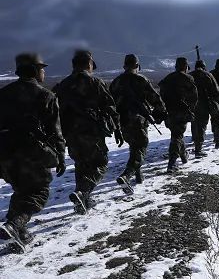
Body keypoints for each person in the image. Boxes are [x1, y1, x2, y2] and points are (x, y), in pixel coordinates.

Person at [0, 53, 66, 250]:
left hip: (4, 154)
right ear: (35, 71)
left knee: (21, 190)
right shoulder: (46, 96)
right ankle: (14, 224)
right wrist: (61, 155)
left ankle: (16, 235)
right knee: (39, 192)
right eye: (42, 68)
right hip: (32, 153)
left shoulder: (2, 94)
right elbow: (55, 130)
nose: (44, 72)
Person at [54, 50, 120, 214]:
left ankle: (82, 203)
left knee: (81, 165)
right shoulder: (96, 82)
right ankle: (82, 192)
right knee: (101, 164)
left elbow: (56, 112)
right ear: (88, 64)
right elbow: (110, 107)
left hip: (70, 133)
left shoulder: (62, 85)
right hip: (92, 132)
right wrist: (117, 128)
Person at [109, 54, 166, 194]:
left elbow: (110, 105)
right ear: (137, 66)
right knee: (140, 149)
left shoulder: (116, 82)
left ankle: (138, 176)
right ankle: (126, 176)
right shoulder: (141, 79)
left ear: (124, 66)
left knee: (134, 148)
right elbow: (155, 98)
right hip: (138, 121)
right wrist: (161, 113)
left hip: (122, 122)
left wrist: (115, 126)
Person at [159, 57, 198, 173]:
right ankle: (172, 163)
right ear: (186, 67)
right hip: (181, 112)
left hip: (169, 112)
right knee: (177, 136)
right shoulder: (188, 78)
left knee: (176, 134)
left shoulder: (167, 78)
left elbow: (161, 95)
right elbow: (194, 97)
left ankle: (184, 156)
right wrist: (190, 109)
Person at [189, 60, 219, 159]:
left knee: (194, 124)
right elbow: (216, 91)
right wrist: (217, 103)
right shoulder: (208, 75)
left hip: (191, 105)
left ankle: (195, 141)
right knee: (202, 126)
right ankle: (198, 149)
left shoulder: (189, 76)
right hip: (204, 104)